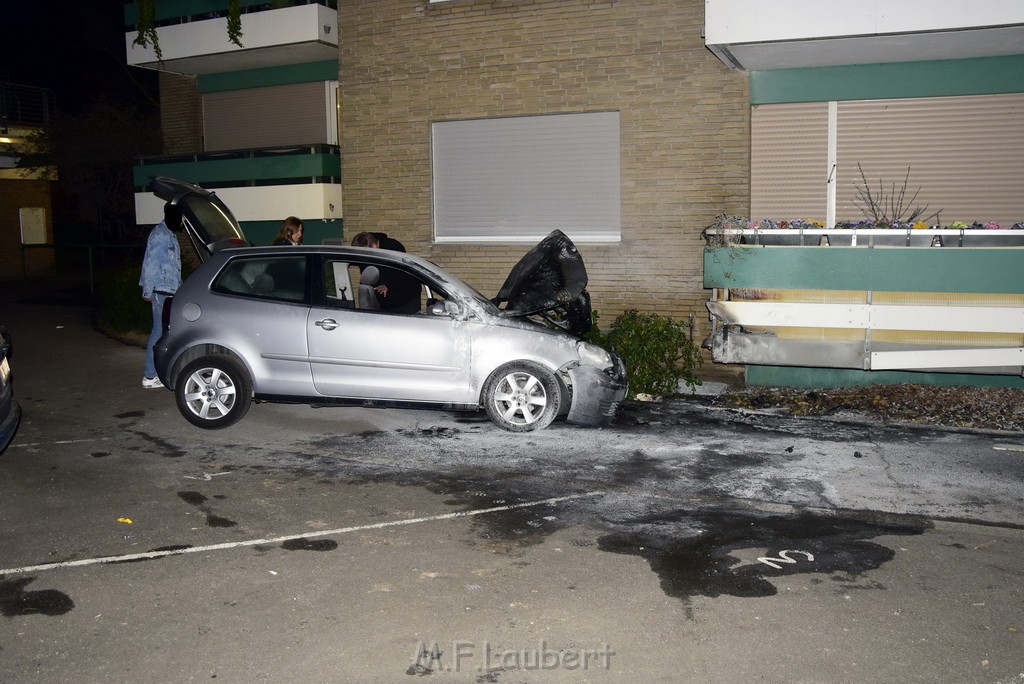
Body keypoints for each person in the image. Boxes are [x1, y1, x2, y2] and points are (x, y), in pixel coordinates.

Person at [140, 203, 184, 389]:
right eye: (180, 218)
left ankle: (156, 372)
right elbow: (151, 265)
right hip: (160, 292)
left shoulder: (169, 234)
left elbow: (173, 267)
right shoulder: (160, 235)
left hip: (169, 290)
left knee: (163, 332)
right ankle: (149, 376)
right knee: (158, 332)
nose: (182, 222)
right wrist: (147, 292)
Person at [350, 231, 421, 313]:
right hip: (385, 302)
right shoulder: (363, 253)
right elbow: (368, 273)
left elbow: (403, 272)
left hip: (407, 298)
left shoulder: (393, 247)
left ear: (374, 245)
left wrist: (387, 285)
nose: (368, 258)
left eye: (369, 253)